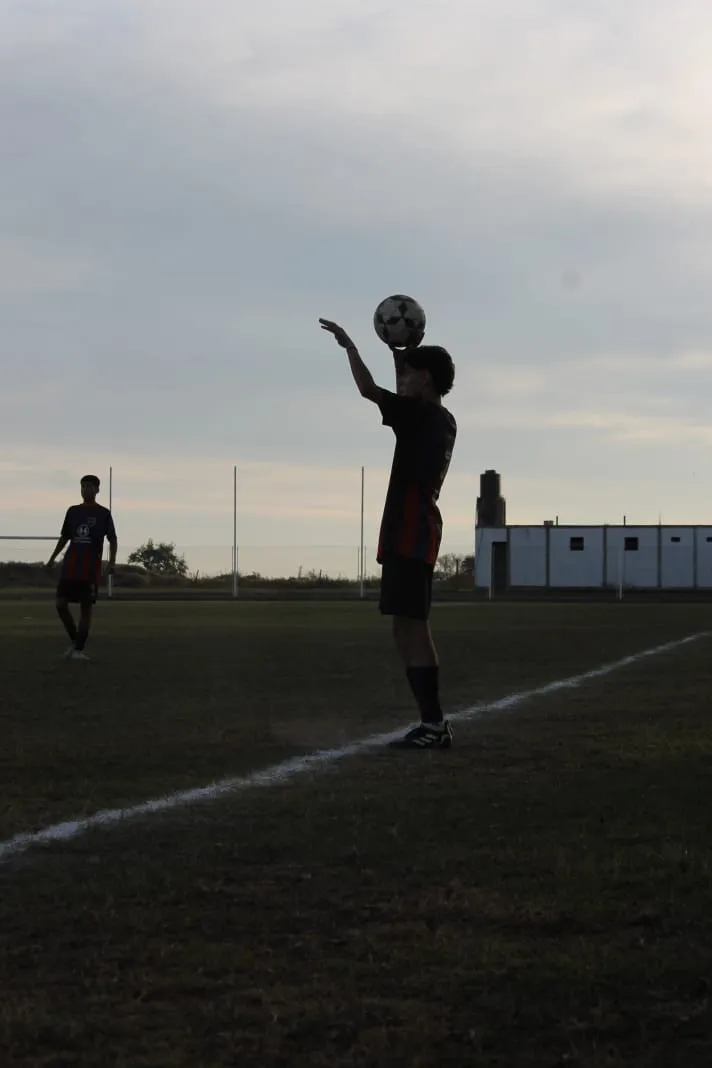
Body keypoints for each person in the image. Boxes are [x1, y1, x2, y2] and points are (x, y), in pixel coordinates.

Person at [319, 318, 457, 748]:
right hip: (415, 531)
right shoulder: (440, 417)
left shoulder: (419, 414)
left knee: (413, 628)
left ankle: (434, 726)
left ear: (426, 378)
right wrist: (402, 348)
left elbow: (369, 391)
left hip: (410, 533)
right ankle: (431, 722)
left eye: (408, 373)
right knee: (406, 626)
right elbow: (399, 385)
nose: (401, 380)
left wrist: (350, 348)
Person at [45, 475, 118, 660]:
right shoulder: (73, 511)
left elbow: (113, 538)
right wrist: (52, 558)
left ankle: (78, 649)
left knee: (86, 608)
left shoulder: (103, 514)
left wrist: (112, 562)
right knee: (60, 604)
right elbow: (65, 537)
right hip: (70, 566)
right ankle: (75, 642)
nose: (86, 489)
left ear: (97, 490)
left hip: (89, 569)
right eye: (83, 486)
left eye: (89, 486)